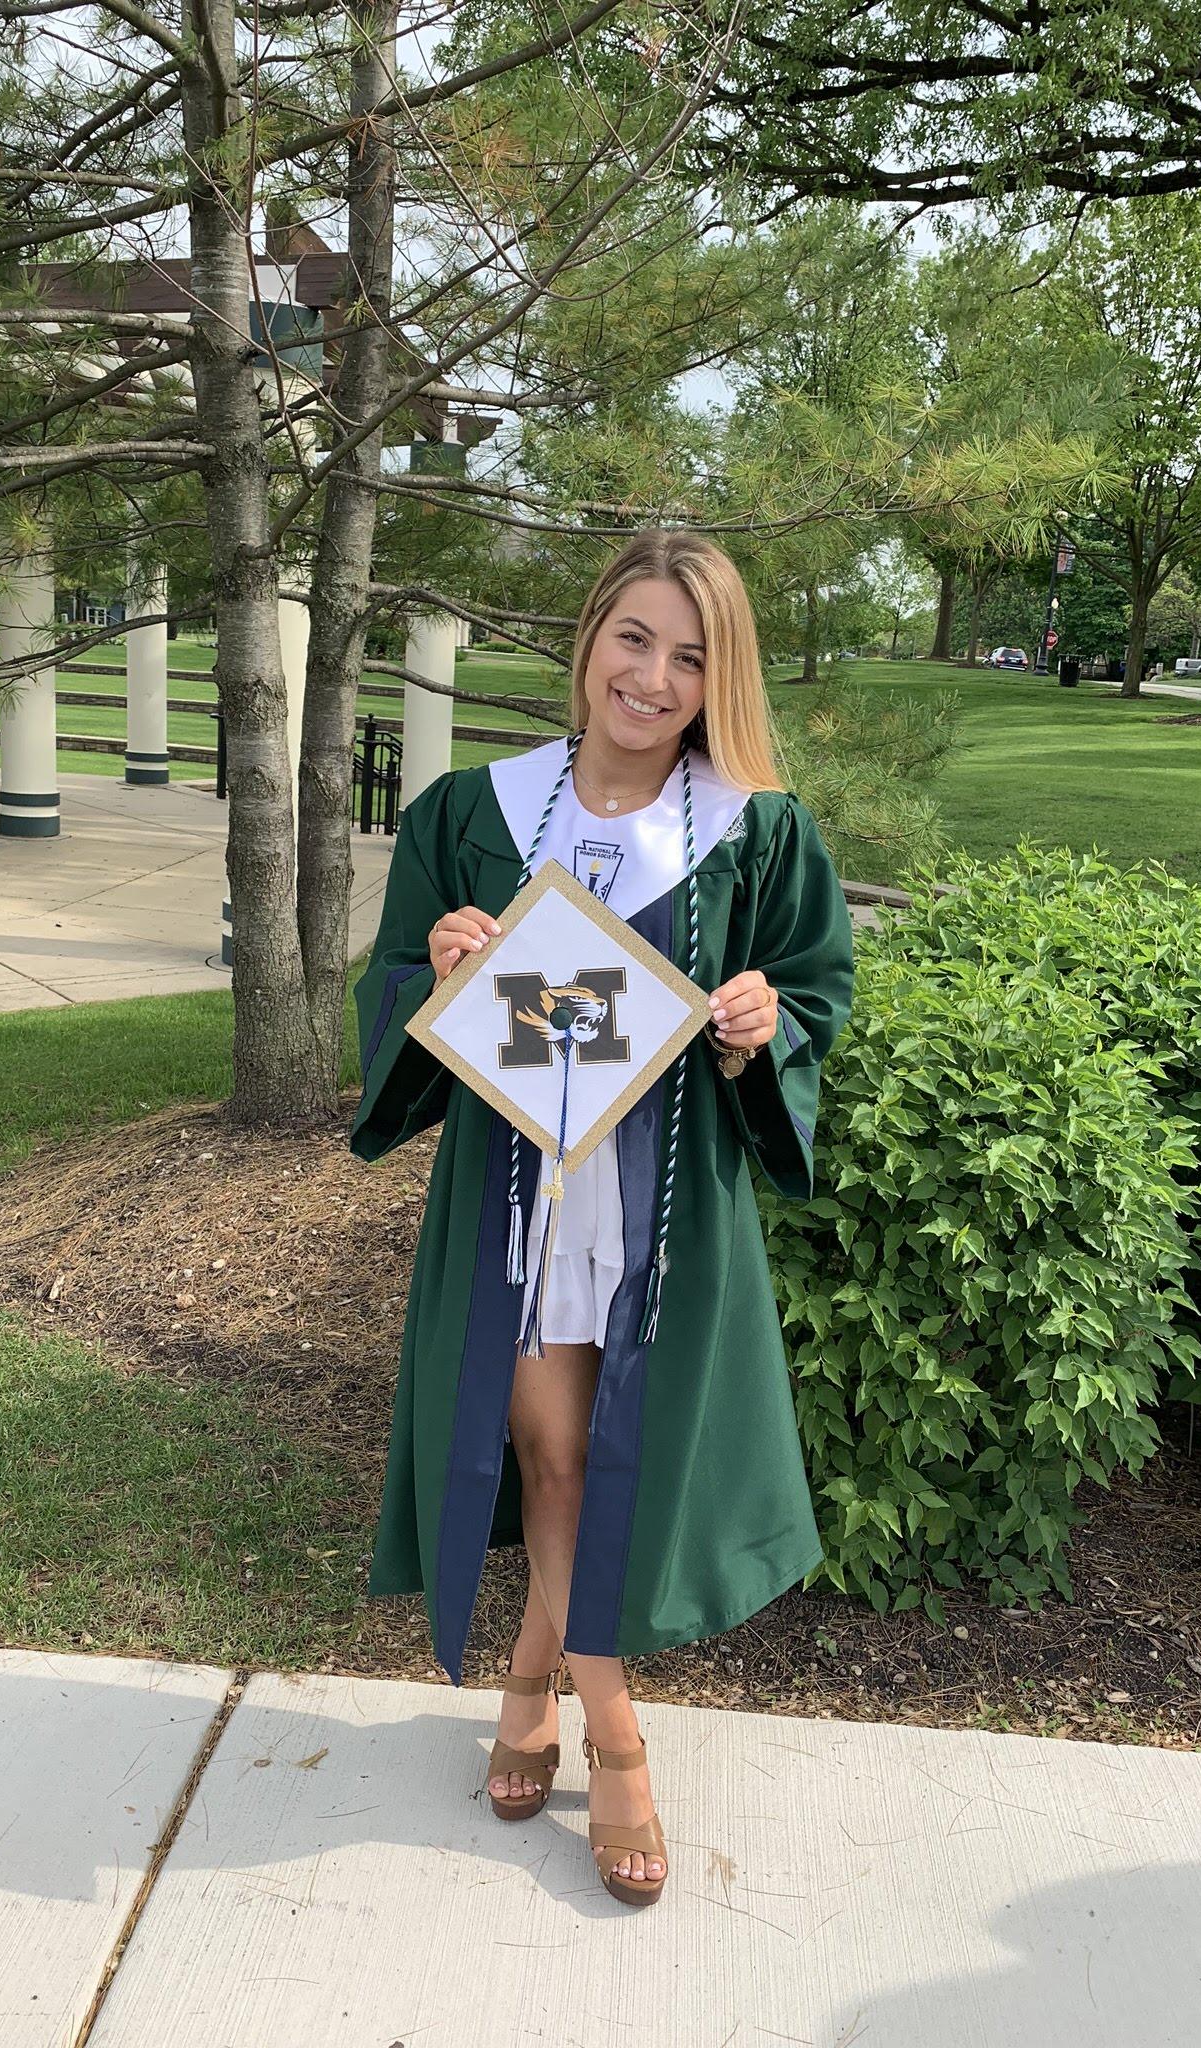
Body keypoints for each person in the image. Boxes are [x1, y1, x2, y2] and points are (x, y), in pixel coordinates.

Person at [350, 529, 855, 1907]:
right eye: (635, 637)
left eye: (691, 656)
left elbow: (814, 992)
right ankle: (615, 1727)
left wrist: (760, 1023)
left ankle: (534, 1682)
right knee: (551, 1452)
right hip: (515, 1206)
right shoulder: (473, 812)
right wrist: (440, 970)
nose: (654, 677)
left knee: (600, 1456)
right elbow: (392, 992)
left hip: (659, 1207)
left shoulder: (755, 829)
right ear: (590, 640)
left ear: (717, 680)